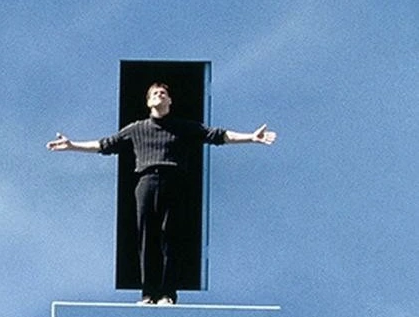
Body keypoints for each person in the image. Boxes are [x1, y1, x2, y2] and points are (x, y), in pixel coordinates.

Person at [47, 82, 276, 305]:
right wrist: (72, 145)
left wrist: (251, 137)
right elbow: (106, 144)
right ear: (148, 102)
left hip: (175, 183)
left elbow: (217, 135)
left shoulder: (184, 127)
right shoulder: (136, 129)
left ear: (170, 100)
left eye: (163, 93)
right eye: (155, 93)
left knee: (171, 238)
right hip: (146, 183)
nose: (159, 95)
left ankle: (167, 294)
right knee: (147, 238)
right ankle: (148, 294)